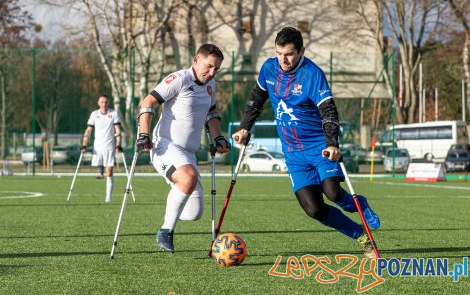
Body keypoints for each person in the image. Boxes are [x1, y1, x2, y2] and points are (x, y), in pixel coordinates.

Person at [232, 27, 381, 259]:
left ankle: (359, 204)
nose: (283, 59)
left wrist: (332, 143)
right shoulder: (269, 68)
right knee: (314, 209)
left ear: (301, 51)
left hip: (319, 147)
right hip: (293, 154)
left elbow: (328, 111)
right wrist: (244, 127)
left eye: (289, 54)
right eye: (279, 53)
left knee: (332, 192)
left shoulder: (312, 74)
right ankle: (359, 234)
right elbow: (256, 99)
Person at [136, 44, 231, 253]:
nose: (212, 72)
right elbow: (148, 101)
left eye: (217, 69)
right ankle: (165, 231)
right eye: (209, 66)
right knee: (188, 178)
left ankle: (176, 189)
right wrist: (143, 133)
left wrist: (218, 137)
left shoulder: (211, 84)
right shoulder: (179, 79)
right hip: (165, 145)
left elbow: (212, 113)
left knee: (193, 213)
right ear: (196, 59)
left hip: (188, 153)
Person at [81, 94, 122, 203]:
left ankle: (108, 197)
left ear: (108, 103)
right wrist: (84, 144)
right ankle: (100, 173)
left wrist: (118, 144)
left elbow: (118, 130)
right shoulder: (94, 114)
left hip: (109, 147)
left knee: (109, 171)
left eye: (106, 102)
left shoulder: (113, 113)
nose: (104, 104)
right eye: (102, 102)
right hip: (98, 147)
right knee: (102, 168)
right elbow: (88, 130)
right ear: (98, 103)